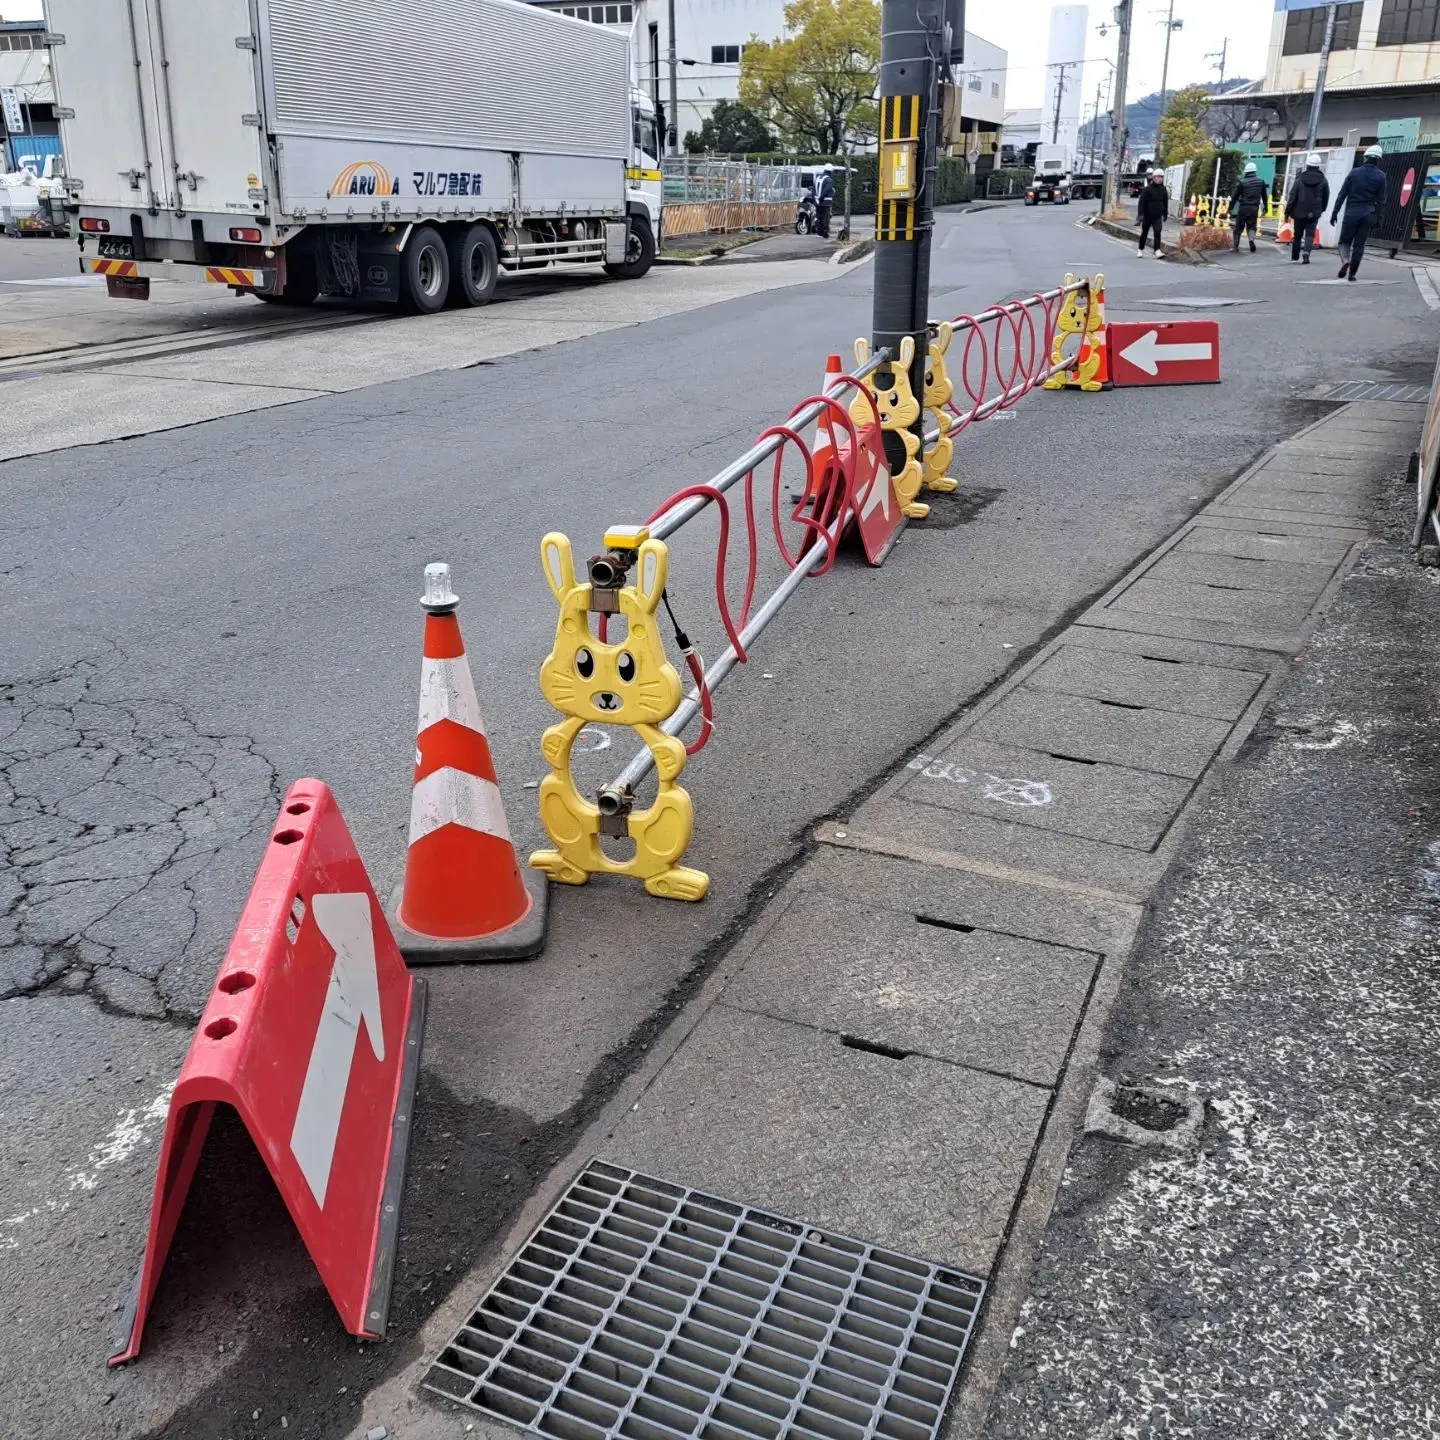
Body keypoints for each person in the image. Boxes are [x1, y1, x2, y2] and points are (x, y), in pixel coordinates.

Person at [1330, 144, 1388, 281]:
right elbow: (1381, 200)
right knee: (1359, 245)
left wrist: (1335, 212)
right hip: (1368, 213)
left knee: (1344, 242)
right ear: (1379, 159)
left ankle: (1345, 260)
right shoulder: (1381, 176)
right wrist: (1379, 218)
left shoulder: (1354, 173)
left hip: (1351, 212)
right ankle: (1352, 274)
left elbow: (1342, 195)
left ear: (1365, 157)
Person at [1285, 152, 1330, 264]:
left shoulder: (1300, 179)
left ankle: (1295, 257)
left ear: (1307, 165)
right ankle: (1306, 253)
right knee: (1310, 234)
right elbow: (1326, 196)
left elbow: (1293, 195)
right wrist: (1321, 209)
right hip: (1314, 212)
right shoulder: (1323, 180)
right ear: (1318, 166)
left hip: (1299, 211)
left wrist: (1288, 211)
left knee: (1297, 235)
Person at [1231, 161, 1269, 253]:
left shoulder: (1242, 182)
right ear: (1255, 171)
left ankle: (1235, 247)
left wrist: (1230, 207)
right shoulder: (1261, 181)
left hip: (1244, 207)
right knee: (1252, 226)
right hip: (1254, 208)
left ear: (1246, 172)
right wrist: (1266, 207)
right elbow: (1264, 195)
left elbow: (1235, 196)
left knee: (1238, 228)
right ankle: (1251, 240)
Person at [1136, 168, 1168, 256]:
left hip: (1157, 216)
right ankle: (1140, 249)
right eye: (1157, 177)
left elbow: (1165, 202)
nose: (1159, 179)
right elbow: (1141, 202)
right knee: (1144, 232)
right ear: (1153, 178)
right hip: (1147, 215)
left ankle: (1157, 250)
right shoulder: (1147, 189)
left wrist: (1165, 214)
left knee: (1157, 232)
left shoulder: (1163, 189)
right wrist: (1141, 214)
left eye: (1161, 177)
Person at [815, 164, 835, 239]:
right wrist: (821, 198)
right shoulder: (829, 180)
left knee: (819, 217)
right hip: (826, 202)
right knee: (825, 218)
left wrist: (816, 198)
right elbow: (827, 190)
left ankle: (819, 231)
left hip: (817, 202)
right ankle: (825, 233)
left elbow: (814, 189)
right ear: (830, 171)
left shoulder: (818, 178)